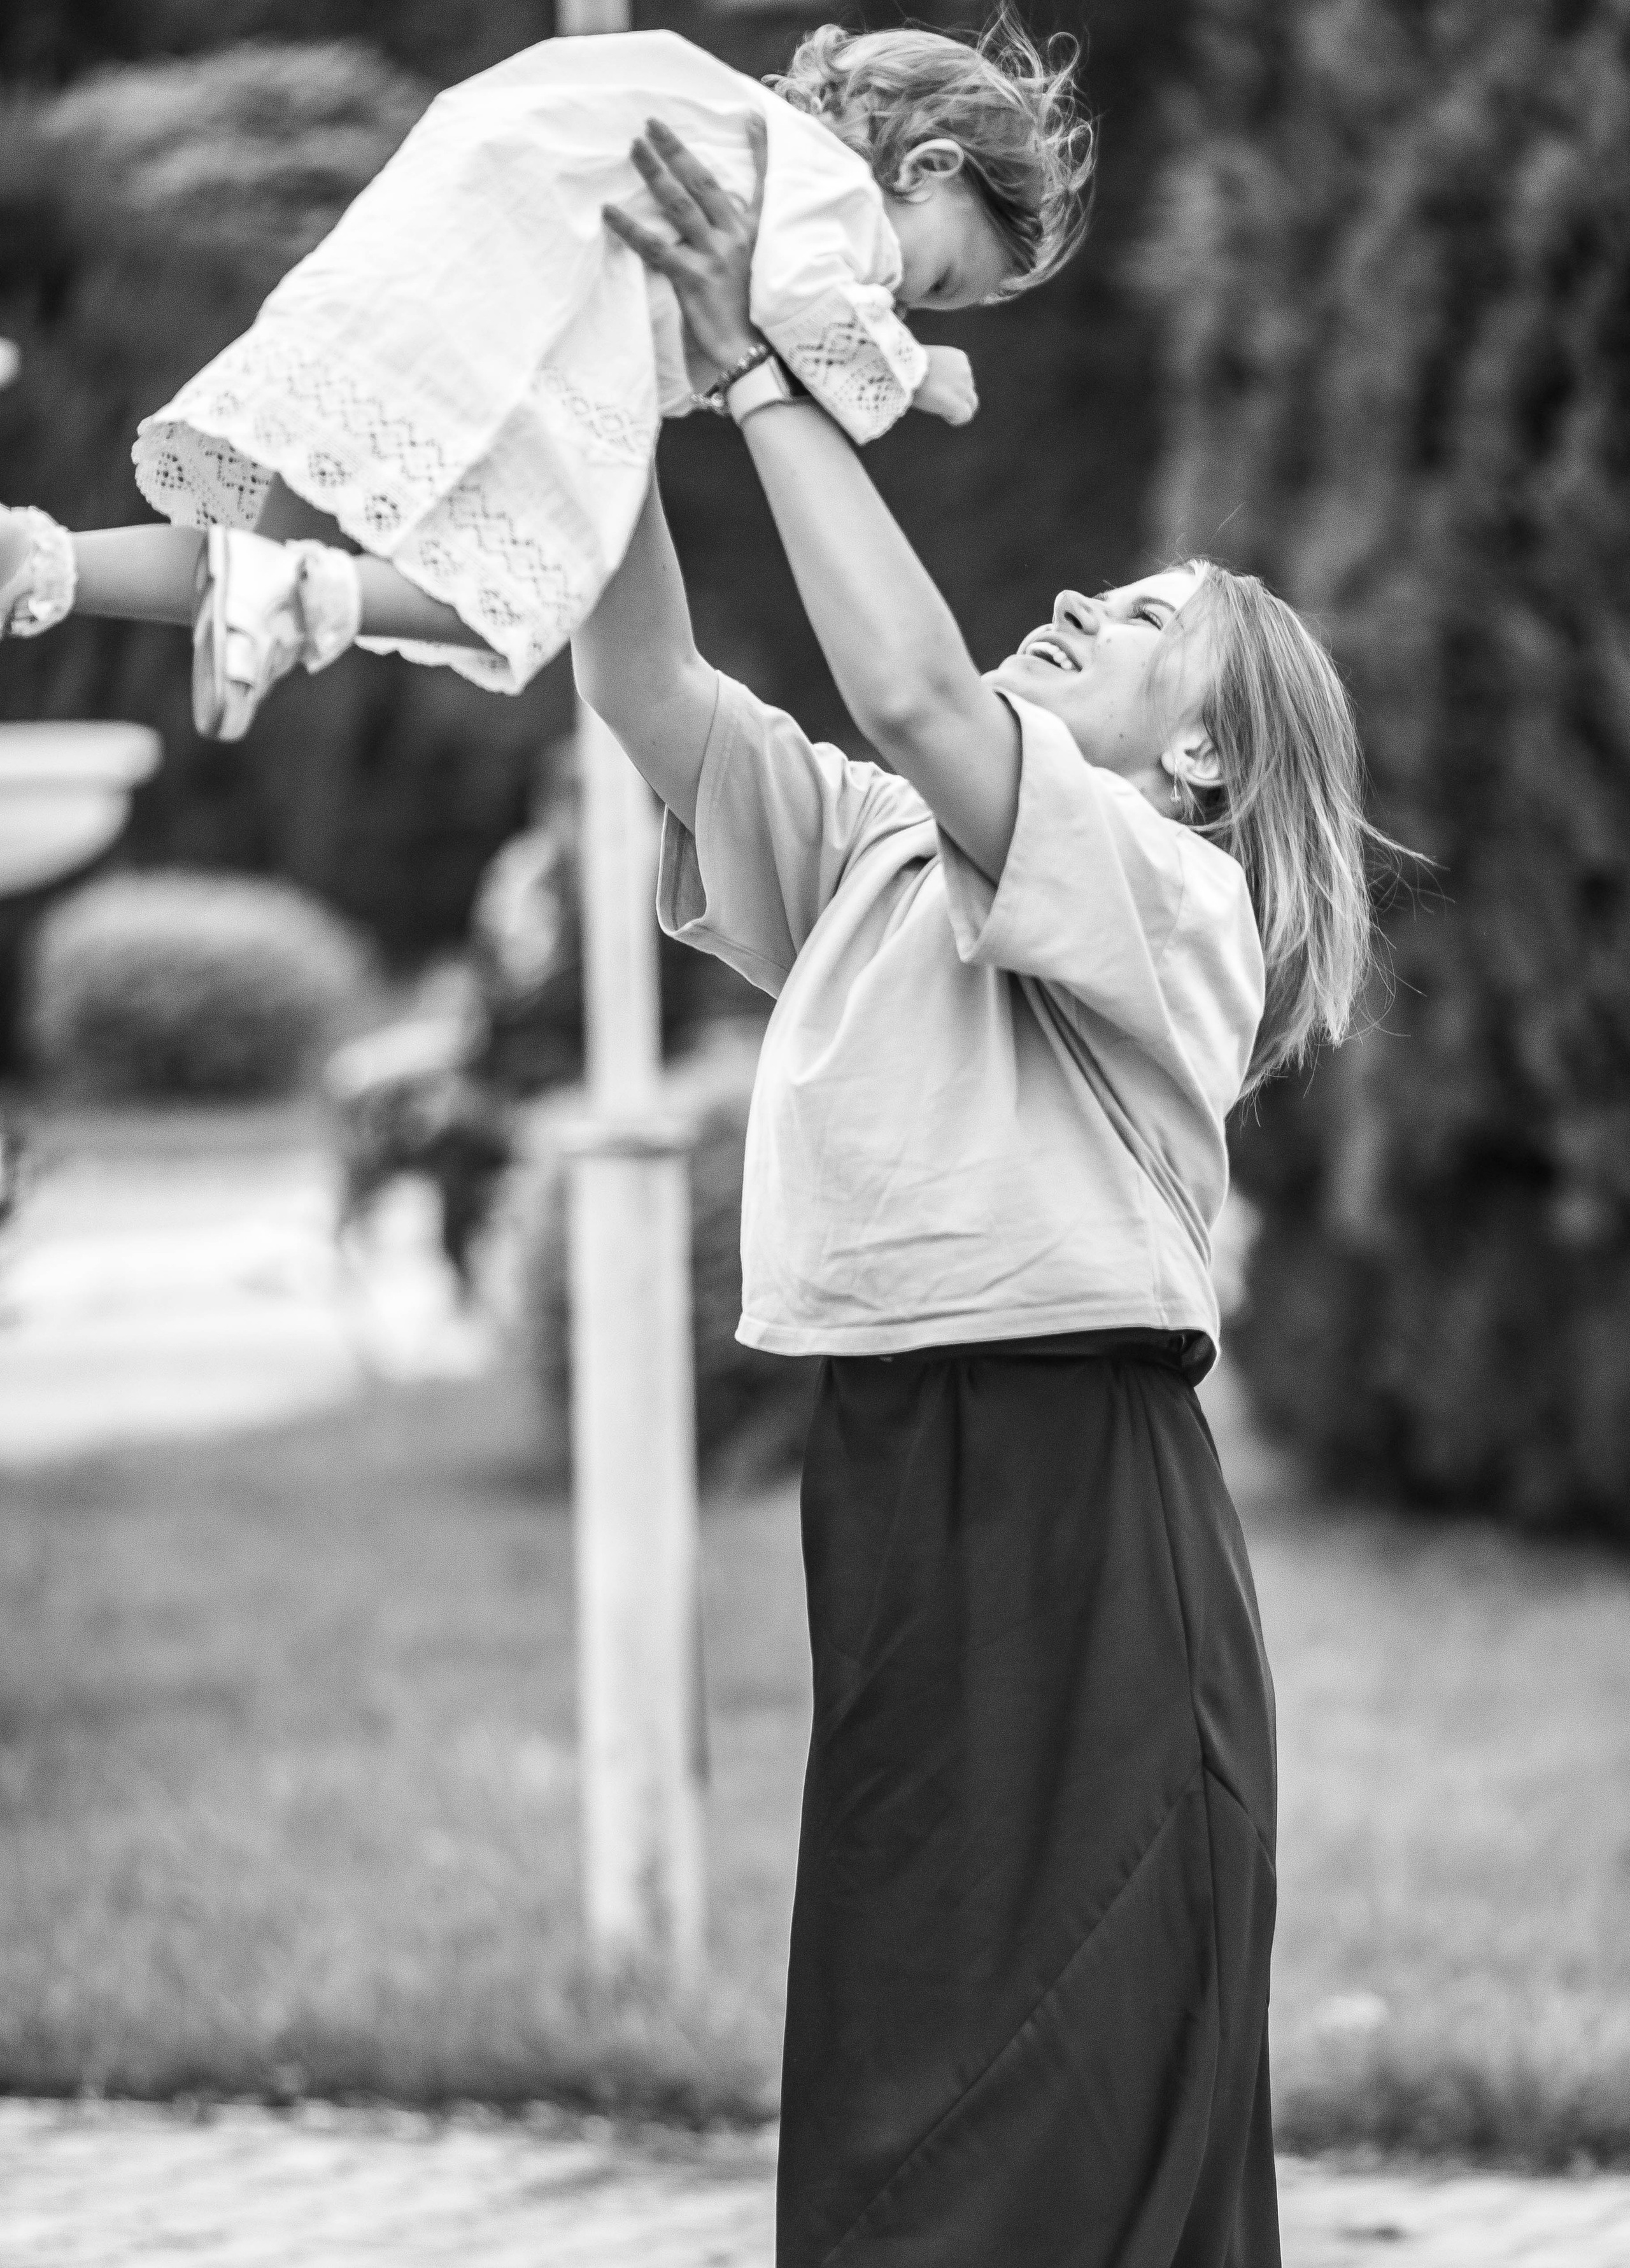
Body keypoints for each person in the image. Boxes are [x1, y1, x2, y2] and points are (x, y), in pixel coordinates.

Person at [568, 120, 1386, 2268]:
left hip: (1083, 1516)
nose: (1067, 610)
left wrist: (760, 373)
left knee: (1068, 2139)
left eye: (1124, 627)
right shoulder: (869, 851)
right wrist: (611, 384)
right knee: (897, 2112)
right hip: (897, 1488)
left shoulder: (1176, 894)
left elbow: (920, 685)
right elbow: (647, 685)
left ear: (1198, 763)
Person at [0, 19, 1092, 741]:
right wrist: (911, 375)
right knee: (523, 598)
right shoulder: (824, 192)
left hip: (433, 265)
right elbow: (814, 301)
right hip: (516, 315)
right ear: (927, 167)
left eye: (915, 311)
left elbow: (711, 326)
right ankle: (300, 601)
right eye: (932, 277)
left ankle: (34, 560)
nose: (894, 300)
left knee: (257, 552)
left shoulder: (736, 147)